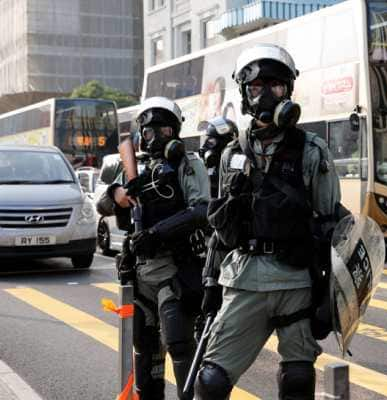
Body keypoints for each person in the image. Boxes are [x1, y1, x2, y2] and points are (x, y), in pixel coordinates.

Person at [193, 43, 342, 400]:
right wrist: (210, 285)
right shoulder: (232, 152)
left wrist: (330, 299)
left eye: (275, 85)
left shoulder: (311, 150)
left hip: (295, 281)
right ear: (244, 94)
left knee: (297, 380)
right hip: (245, 279)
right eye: (256, 87)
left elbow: (331, 227)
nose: (266, 95)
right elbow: (220, 227)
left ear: (288, 91)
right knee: (211, 380)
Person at [96, 96, 211, 400]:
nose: (155, 137)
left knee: (180, 345)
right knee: (145, 354)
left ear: (175, 132)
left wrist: (158, 233)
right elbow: (102, 206)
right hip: (140, 272)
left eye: (163, 130)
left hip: (174, 268)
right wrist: (117, 193)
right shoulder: (136, 169)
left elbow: (201, 211)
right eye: (148, 132)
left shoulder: (189, 164)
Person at [198, 116, 238, 198]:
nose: (204, 146)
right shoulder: (209, 171)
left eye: (211, 142)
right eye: (207, 140)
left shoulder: (235, 167)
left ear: (226, 141)